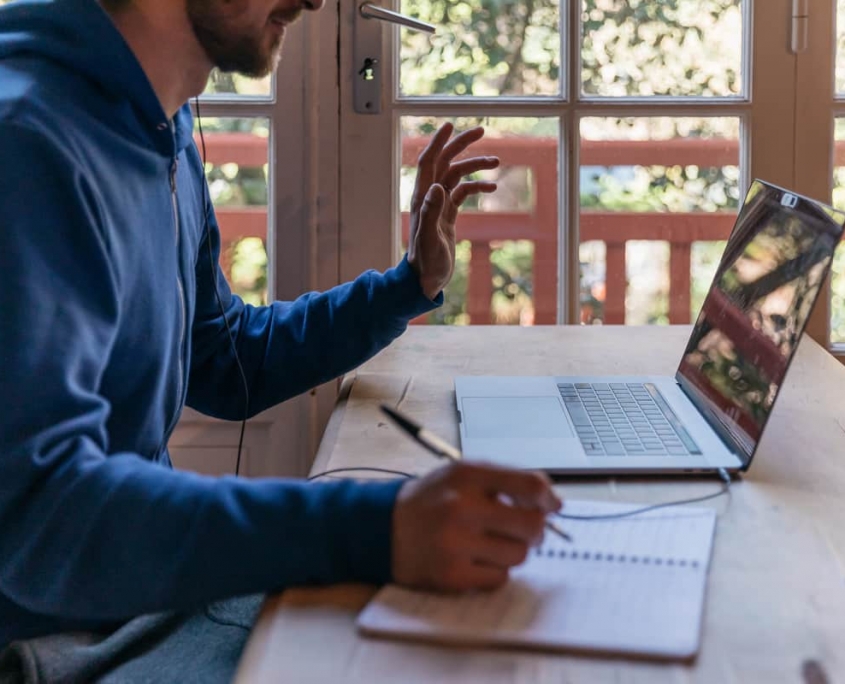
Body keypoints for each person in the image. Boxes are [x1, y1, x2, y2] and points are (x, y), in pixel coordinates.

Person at [0, 0, 562, 680]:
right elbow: (42, 521)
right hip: (49, 646)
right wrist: (374, 528)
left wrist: (406, 286)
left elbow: (224, 359)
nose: (317, 1)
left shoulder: (159, 119)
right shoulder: (27, 142)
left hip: (129, 607)